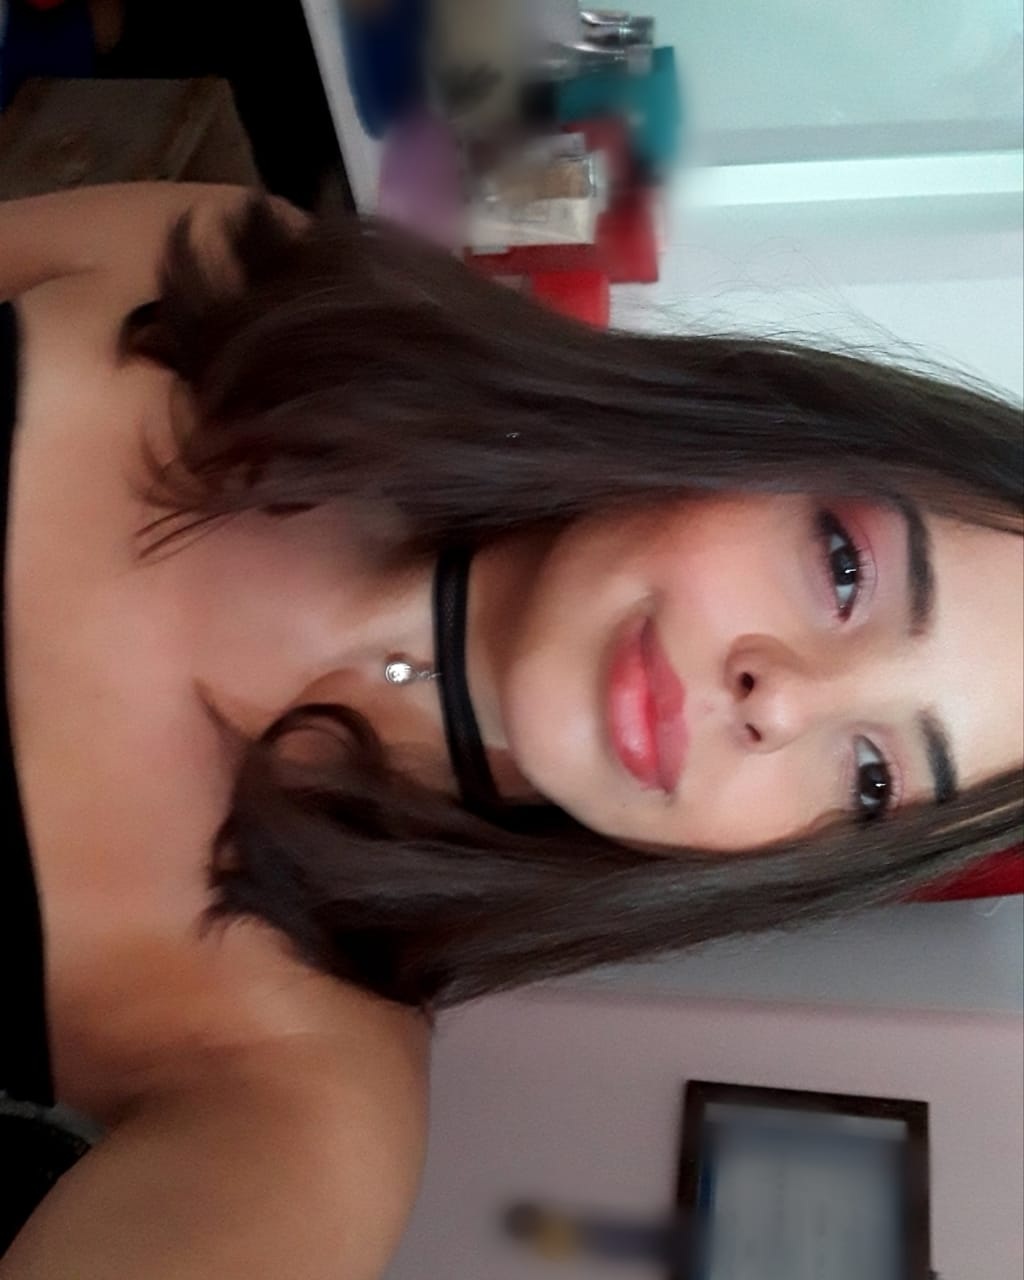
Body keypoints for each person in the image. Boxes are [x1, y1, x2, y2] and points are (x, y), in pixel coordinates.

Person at [0, 182, 1020, 1277]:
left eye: (870, 778)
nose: (780, 703)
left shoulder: (297, 1086)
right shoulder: (253, 282)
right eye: (847, 569)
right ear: (764, 434)